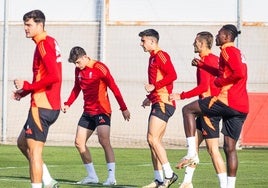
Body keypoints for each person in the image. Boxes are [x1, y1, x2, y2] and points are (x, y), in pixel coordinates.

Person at [176, 24, 248, 188]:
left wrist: (219, 82)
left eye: (219, 34)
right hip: (241, 107)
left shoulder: (227, 51)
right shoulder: (233, 53)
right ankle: (225, 186)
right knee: (229, 148)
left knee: (187, 110)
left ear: (226, 37)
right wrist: (203, 66)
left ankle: (191, 154)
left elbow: (238, 74)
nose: (216, 36)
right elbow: (224, 72)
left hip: (226, 102)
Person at [61, 46, 130, 186]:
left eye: (78, 62)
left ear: (85, 57)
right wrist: (68, 103)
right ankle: (92, 176)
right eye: (75, 63)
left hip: (102, 110)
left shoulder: (100, 67)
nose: (77, 65)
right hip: (87, 112)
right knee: (79, 142)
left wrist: (124, 108)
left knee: (104, 141)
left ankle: (111, 177)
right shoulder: (78, 70)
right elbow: (76, 88)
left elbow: (114, 87)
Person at [169, 31, 227, 188]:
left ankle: (225, 185)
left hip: (208, 110)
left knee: (213, 150)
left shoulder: (205, 61)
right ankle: (187, 182)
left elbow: (203, 87)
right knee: (194, 147)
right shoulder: (214, 59)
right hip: (208, 109)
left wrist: (180, 95)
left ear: (202, 43)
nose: (193, 44)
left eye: (195, 41)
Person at [13, 10, 62, 188]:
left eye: (29, 25)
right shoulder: (49, 42)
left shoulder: (43, 44)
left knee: (35, 152)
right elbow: (44, 77)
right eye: (24, 24)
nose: (25, 28)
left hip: (42, 106)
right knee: (21, 143)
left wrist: (27, 86)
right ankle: (48, 180)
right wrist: (25, 92)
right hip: (48, 105)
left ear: (40, 25)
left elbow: (54, 77)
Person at [138, 29, 178, 188]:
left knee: (152, 138)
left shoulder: (161, 55)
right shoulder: (152, 58)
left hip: (163, 103)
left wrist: (154, 86)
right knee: (153, 142)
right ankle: (159, 180)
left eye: (143, 41)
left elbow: (172, 75)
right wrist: (149, 98)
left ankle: (169, 175)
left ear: (152, 42)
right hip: (156, 101)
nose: (141, 43)